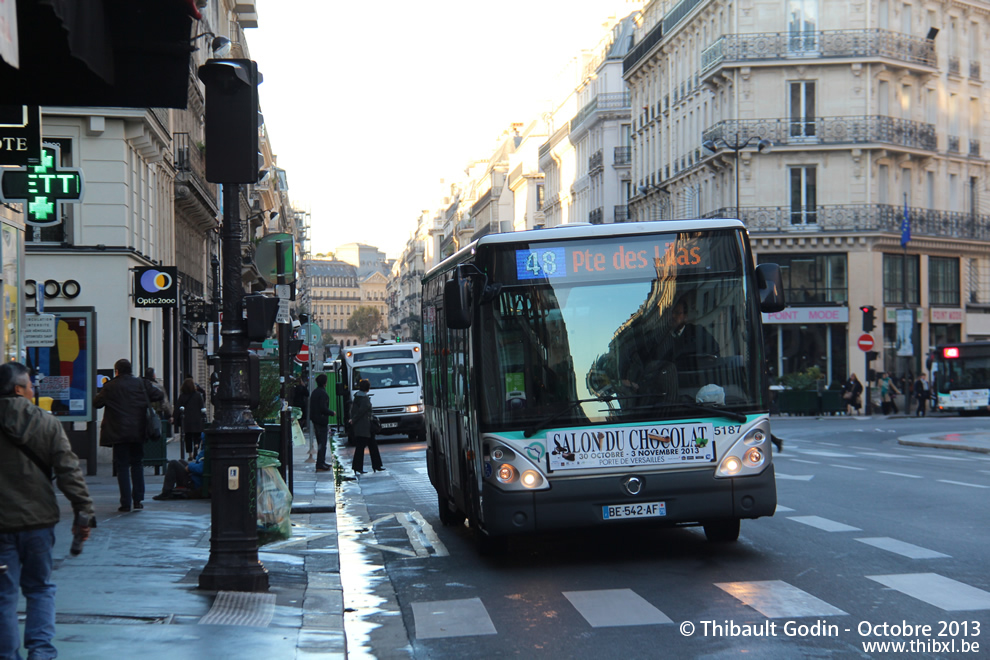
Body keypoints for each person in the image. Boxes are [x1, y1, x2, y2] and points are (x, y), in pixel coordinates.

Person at [1, 362, 94, 660]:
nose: (32, 391)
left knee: (4, 595)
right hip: (39, 522)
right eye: (30, 386)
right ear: (18, 389)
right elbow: (69, 471)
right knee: (40, 589)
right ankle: (41, 653)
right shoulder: (47, 423)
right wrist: (83, 512)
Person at [94, 358, 163, 512]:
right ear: (131, 370)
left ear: (116, 371)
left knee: (122, 466)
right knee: (137, 464)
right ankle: (138, 500)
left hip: (118, 432)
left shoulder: (110, 386)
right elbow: (158, 394)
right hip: (138, 430)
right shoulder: (141, 383)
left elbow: (96, 403)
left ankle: (125, 502)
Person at [349, 378, 383, 475]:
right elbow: (361, 411)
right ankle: (373, 465)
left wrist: (353, 419)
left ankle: (363, 466)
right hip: (365, 426)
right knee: (365, 447)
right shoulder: (364, 399)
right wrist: (354, 419)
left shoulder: (357, 397)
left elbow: (355, 411)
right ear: (368, 388)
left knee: (367, 446)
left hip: (362, 426)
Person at [309, 374, 336, 472]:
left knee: (321, 442)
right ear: (325, 382)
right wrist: (331, 412)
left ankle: (322, 462)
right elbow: (323, 408)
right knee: (322, 443)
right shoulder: (322, 393)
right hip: (321, 420)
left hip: (316, 420)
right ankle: (320, 463)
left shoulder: (315, 392)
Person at [173, 378, 205, 461]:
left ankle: (190, 454)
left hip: (186, 421)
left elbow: (177, 408)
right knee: (197, 436)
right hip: (197, 420)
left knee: (188, 438)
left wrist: (174, 418)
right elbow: (202, 407)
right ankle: (196, 446)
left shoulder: (182, 396)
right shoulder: (198, 395)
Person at [290, 376, 312, 461]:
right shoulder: (301, 388)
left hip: (295, 405)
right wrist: (304, 386)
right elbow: (307, 394)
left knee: (297, 419)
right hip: (301, 405)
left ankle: (298, 429)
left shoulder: (294, 388)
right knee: (302, 419)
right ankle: (300, 430)